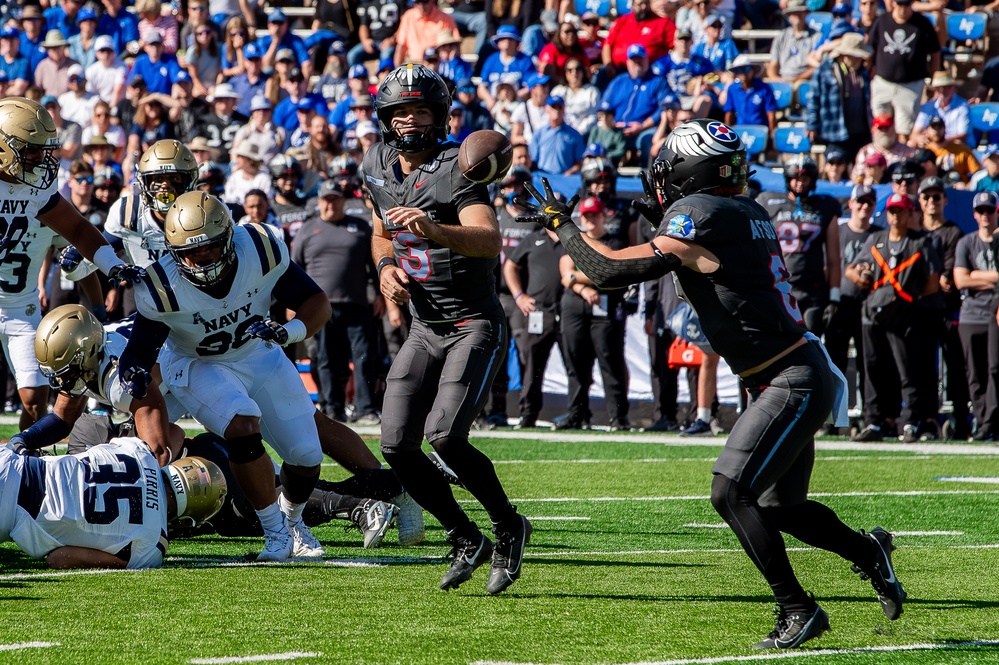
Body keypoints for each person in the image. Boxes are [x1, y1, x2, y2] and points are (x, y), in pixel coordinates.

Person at [518, 118, 907, 648]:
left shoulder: (699, 213)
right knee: (778, 507)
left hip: (787, 379)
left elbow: (606, 271)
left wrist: (561, 226)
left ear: (687, 173)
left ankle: (798, 609)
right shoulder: (743, 209)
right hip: (791, 373)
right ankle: (868, 553)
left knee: (730, 492)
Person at [368, 64, 531, 593]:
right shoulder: (377, 163)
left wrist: (436, 229)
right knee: (395, 443)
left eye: (419, 109)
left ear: (439, 115)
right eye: (400, 111)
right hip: (423, 324)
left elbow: (489, 241)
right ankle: (465, 536)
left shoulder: (457, 166)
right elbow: (379, 232)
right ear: (386, 119)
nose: (409, 120)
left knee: (445, 435)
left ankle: (508, 526)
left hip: (471, 322)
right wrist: (386, 268)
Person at [115, 191, 329, 562]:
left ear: (228, 237)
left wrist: (287, 332)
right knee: (242, 424)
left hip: (258, 353)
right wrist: (132, 372)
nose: (199, 259)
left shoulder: (260, 248)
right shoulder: (161, 285)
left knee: (306, 455)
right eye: (188, 252)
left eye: (209, 248)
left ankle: (293, 524)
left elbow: (317, 303)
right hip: (198, 363)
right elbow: (138, 353)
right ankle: (275, 533)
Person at [0, 438, 225, 569]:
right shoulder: (151, 548)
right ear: (189, 517)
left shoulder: (139, 449)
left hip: (10, 460)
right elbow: (58, 559)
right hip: (11, 512)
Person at [846, 192, 943, 443]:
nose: (895, 215)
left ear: (911, 213)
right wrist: (862, 278)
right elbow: (851, 270)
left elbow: (932, 284)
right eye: (892, 211)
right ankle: (874, 421)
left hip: (904, 315)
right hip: (872, 313)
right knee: (873, 368)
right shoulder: (876, 239)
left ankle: (910, 421)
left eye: (900, 210)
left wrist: (905, 297)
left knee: (907, 369)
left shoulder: (920, 242)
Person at [292, 179, 382, 425]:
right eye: (327, 200)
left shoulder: (361, 227)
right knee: (326, 358)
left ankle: (366, 409)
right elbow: (294, 269)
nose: (331, 204)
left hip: (356, 303)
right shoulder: (308, 229)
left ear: (343, 201)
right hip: (320, 307)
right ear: (319, 202)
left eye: (335, 199)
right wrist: (294, 305)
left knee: (363, 357)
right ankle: (332, 408)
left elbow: (374, 266)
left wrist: (380, 295)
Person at [558, 196, 631, 431]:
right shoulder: (576, 241)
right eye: (586, 215)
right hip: (575, 304)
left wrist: (576, 277)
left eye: (594, 214)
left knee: (610, 361)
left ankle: (618, 417)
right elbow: (564, 272)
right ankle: (577, 414)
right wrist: (581, 286)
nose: (590, 219)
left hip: (606, 305)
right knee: (576, 361)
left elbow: (610, 272)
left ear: (603, 215)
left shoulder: (615, 242)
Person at [757, 155, 842, 334]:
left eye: (805, 178)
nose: (800, 183)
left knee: (811, 342)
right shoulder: (768, 202)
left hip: (812, 290)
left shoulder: (825, 206)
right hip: (778, 287)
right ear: (788, 179)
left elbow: (834, 257)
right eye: (796, 178)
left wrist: (834, 296)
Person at [824, 184, 877, 432]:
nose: (865, 206)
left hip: (870, 307)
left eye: (869, 202)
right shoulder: (839, 231)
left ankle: (871, 418)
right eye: (861, 201)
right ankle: (834, 419)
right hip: (841, 303)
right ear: (852, 204)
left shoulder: (880, 234)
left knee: (870, 363)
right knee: (836, 363)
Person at [503, 223, 565, 429]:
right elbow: (510, 266)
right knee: (532, 366)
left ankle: (578, 412)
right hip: (539, 311)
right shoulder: (533, 239)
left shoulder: (573, 238)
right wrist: (519, 296)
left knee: (577, 366)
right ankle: (528, 415)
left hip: (568, 310)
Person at [954, 191, 999, 441]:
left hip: (995, 312)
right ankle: (982, 421)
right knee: (974, 372)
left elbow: (968, 277)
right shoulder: (966, 242)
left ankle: (991, 421)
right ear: (974, 214)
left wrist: (975, 277)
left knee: (994, 368)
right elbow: (960, 280)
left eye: (989, 210)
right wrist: (994, 278)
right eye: (981, 211)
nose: (985, 215)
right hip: (971, 314)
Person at [868, 0, 940, 143]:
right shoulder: (882, 21)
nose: (902, 8)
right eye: (900, 4)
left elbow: (935, 53)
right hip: (883, 82)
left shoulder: (923, 23)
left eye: (906, 4)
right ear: (893, 3)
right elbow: (871, 48)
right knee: (880, 126)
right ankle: (880, 161)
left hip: (910, 85)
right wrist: (870, 71)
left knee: (904, 131)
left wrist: (933, 79)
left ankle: (901, 162)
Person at [805, 33, 873, 165]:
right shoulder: (825, 70)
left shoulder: (863, 72)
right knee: (835, 167)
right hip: (835, 131)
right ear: (844, 55)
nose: (858, 60)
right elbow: (813, 98)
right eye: (855, 56)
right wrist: (811, 124)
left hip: (861, 132)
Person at [766, 0, 821, 84]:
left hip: (803, 80)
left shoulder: (816, 36)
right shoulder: (781, 36)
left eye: (800, 12)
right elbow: (773, 65)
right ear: (788, 16)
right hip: (782, 78)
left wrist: (796, 79)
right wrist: (775, 78)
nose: (796, 16)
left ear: (805, 14)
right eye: (793, 13)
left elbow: (816, 67)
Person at [529, 95, 585, 175]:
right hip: (542, 178)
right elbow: (533, 160)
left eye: (560, 107)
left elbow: (579, 162)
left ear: (564, 109)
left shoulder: (575, 135)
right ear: (547, 109)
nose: (557, 110)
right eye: (553, 107)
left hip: (564, 179)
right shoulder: (538, 134)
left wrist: (570, 172)